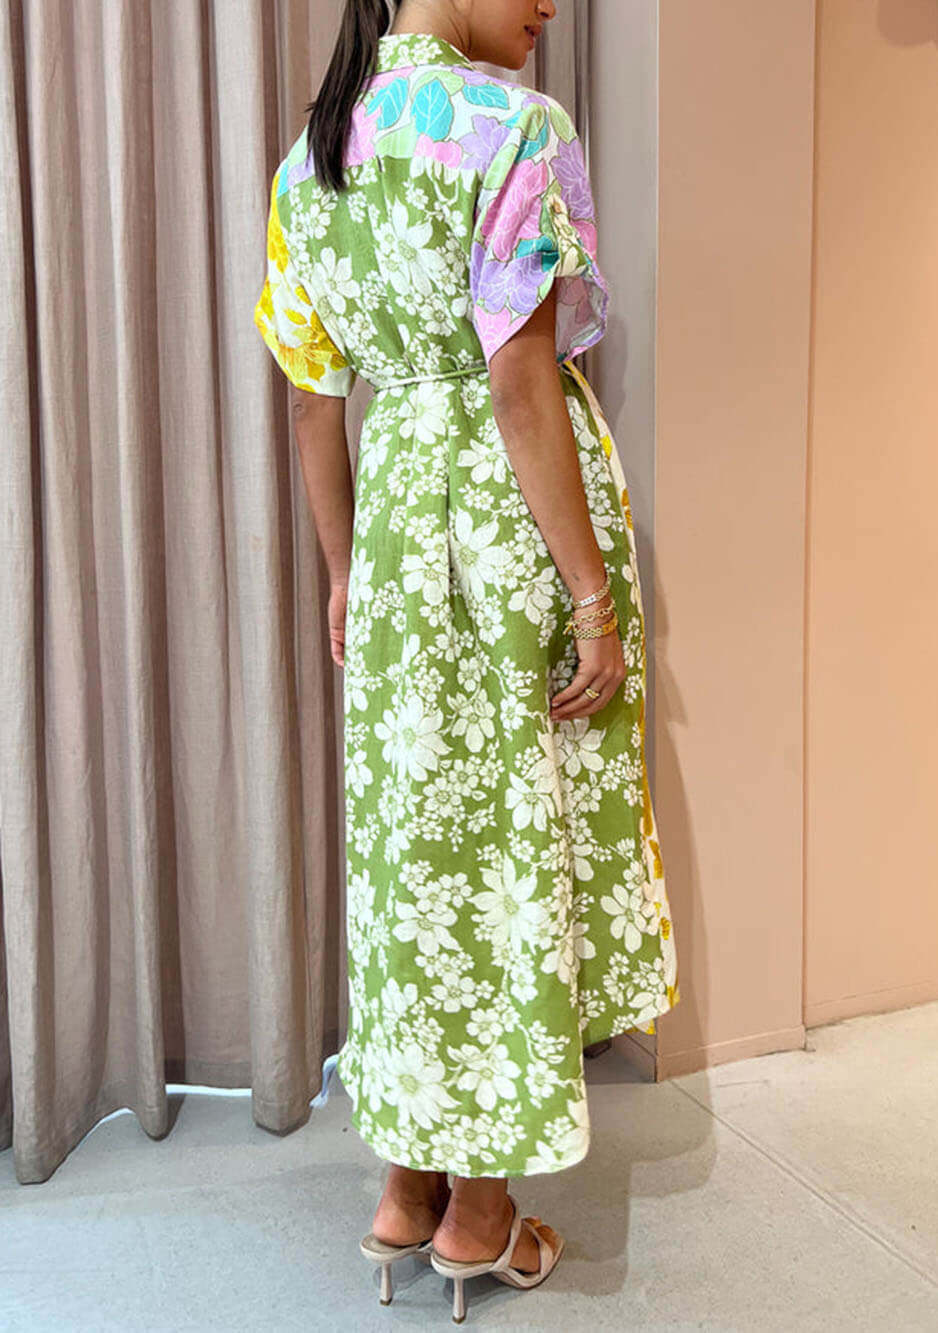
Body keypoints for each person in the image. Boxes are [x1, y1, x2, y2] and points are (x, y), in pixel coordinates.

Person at [253, 0, 680, 1319]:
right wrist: (595, 597)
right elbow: (519, 381)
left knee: (413, 856)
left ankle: (407, 1182)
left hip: (394, 527)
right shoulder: (514, 127)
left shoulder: (312, 158)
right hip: (501, 529)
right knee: (501, 850)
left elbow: (312, 398)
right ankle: (483, 1208)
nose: (549, 1)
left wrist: (342, 570)